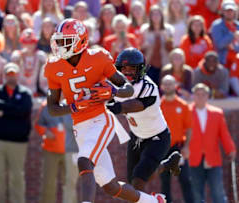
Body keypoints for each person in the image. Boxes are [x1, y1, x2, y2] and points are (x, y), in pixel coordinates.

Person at [44, 18, 166, 203]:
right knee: (111, 186)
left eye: (65, 41)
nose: (59, 45)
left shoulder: (98, 57)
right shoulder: (53, 67)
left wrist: (113, 92)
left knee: (84, 161)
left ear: (80, 41)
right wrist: (75, 106)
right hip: (80, 126)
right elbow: (52, 109)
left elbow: (128, 89)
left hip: (100, 120)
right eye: (58, 40)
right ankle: (153, 201)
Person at [106, 48, 182, 191]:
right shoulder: (117, 85)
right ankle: (167, 164)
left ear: (140, 70)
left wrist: (115, 107)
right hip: (136, 136)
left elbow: (136, 105)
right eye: (124, 68)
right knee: (131, 183)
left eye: (132, 69)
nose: (127, 72)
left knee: (138, 180)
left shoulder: (148, 86)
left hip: (157, 137)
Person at [0, 62, 33, 203]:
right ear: (4, 75)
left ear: (18, 75)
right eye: (8, 74)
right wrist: (14, 110)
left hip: (18, 143)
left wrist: (3, 111)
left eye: (13, 73)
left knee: (17, 177)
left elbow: (24, 110)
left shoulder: (25, 93)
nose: (11, 76)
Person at [189, 83, 237, 203]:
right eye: (197, 94)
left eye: (203, 94)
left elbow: (224, 134)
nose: (200, 97)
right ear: (193, 96)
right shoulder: (187, 112)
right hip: (193, 158)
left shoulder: (217, 113)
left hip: (213, 157)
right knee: (196, 193)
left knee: (217, 192)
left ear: (208, 96)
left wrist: (230, 149)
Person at [35, 100, 79, 203]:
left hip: (69, 150)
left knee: (70, 183)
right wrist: (45, 132)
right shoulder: (46, 106)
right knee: (49, 183)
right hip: (51, 150)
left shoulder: (71, 104)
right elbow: (38, 124)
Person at [159, 75, 194, 203]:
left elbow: (189, 128)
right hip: (162, 149)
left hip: (178, 148)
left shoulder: (183, 105)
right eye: (165, 84)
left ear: (175, 86)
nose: (168, 86)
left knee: (185, 179)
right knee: (165, 181)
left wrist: (186, 146)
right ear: (162, 86)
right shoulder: (157, 106)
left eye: (170, 83)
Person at [210, 0, 239, 65]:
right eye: (227, 10)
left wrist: (234, 47)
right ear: (222, 11)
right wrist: (233, 35)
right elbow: (219, 45)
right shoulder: (216, 25)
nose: (229, 13)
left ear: (235, 11)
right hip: (222, 62)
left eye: (231, 10)